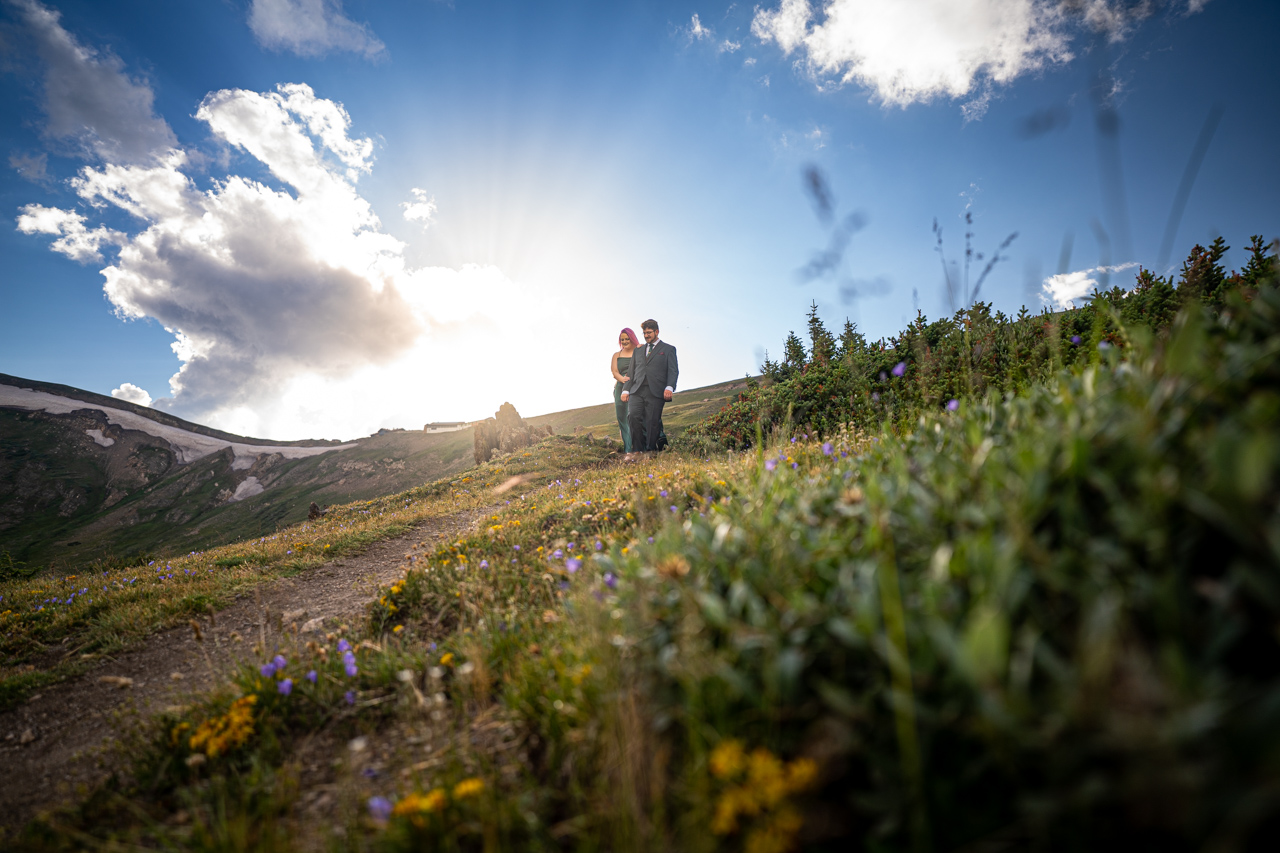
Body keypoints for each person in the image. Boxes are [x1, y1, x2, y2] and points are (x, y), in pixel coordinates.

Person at [621, 319, 678, 453]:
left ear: (656, 332)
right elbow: (631, 371)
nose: (646, 335)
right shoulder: (638, 351)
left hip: (656, 391)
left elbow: (673, 370)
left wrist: (669, 387)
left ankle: (651, 452)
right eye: (644, 333)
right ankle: (638, 451)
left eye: (649, 333)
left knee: (652, 421)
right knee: (633, 416)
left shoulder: (668, 349)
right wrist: (626, 390)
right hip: (637, 390)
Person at [611, 328, 639, 452]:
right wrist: (623, 380)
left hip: (636, 387)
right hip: (620, 387)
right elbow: (614, 372)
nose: (625, 341)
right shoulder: (617, 355)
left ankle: (640, 447)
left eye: (627, 339)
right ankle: (628, 449)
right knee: (622, 418)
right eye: (622, 339)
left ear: (632, 339)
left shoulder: (639, 351)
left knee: (633, 416)